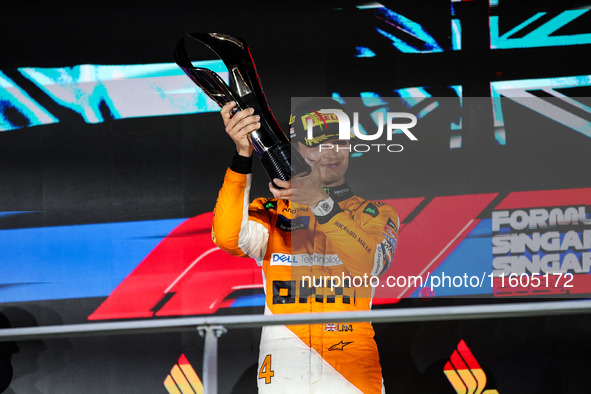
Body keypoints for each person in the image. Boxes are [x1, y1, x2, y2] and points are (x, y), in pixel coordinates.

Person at [212, 98, 399, 393]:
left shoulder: (375, 212)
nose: (331, 153)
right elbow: (227, 238)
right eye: (317, 143)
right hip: (284, 359)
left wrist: (320, 203)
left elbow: (369, 265)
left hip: (351, 361)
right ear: (296, 149)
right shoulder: (272, 211)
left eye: (339, 141)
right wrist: (243, 155)